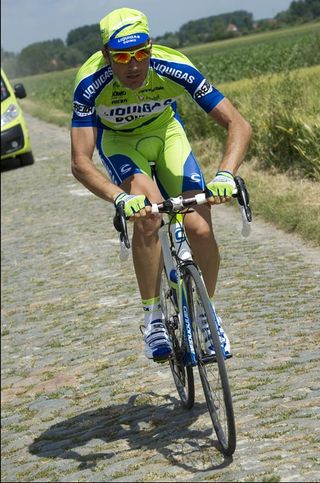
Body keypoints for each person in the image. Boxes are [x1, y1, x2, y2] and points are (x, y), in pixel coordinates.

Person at [71, 7, 252, 363]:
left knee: (198, 227)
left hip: (166, 133)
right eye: (122, 56)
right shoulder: (90, 82)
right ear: (107, 55)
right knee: (149, 216)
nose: (133, 64)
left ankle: (205, 313)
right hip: (122, 144)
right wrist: (119, 197)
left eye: (140, 52)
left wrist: (226, 174)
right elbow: (80, 161)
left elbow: (238, 124)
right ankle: (152, 317)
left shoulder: (174, 66)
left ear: (150, 47)